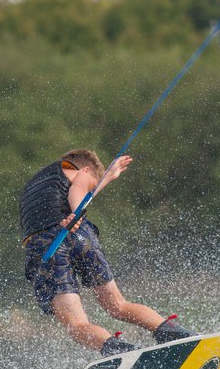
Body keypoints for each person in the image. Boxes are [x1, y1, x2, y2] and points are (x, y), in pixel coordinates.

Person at [20, 149, 196, 356]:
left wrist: (78, 210)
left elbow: (76, 194)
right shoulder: (76, 170)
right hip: (81, 237)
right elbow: (78, 191)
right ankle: (175, 334)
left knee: (77, 326)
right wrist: (78, 212)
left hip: (46, 246)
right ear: (85, 168)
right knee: (117, 305)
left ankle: (120, 352)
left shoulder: (39, 182)